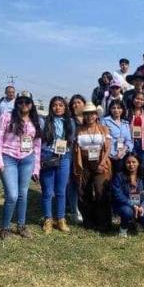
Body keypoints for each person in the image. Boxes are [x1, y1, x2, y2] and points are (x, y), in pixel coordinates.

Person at [0, 91, 42, 240]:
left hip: (27, 159)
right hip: (9, 158)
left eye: (27, 102)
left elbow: (37, 145)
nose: (24, 104)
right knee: (12, 195)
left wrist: (36, 167)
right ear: (16, 103)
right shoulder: (7, 117)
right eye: (20, 102)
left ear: (31, 104)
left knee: (23, 194)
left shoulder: (35, 120)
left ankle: (21, 225)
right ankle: (5, 227)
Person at [73, 102, 112, 231]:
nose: (89, 116)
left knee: (101, 191)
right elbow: (76, 148)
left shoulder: (103, 129)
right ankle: (88, 220)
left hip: (100, 163)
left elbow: (108, 147)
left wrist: (103, 162)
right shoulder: (79, 130)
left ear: (96, 115)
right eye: (87, 114)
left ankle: (104, 221)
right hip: (84, 163)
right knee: (84, 192)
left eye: (92, 114)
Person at [39, 96, 74, 234]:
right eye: (55, 105)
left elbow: (72, 139)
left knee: (61, 191)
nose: (58, 107)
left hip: (64, 157)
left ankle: (61, 219)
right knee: (47, 191)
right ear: (51, 107)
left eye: (61, 105)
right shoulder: (45, 121)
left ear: (65, 107)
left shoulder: (69, 122)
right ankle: (48, 219)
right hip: (48, 156)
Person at [112, 153, 144, 238]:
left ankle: (136, 222)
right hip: (124, 204)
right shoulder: (119, 176)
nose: (131, 165)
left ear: (138, 163)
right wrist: (132, 204)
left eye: (134, 162)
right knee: (128, 212)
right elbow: (117, 194)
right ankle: (123, 229)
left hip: (140, 203)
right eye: (128, 162)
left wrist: (142, 206)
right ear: (124, 163)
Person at [67, 94, 86, 223]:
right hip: (71, 155)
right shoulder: (69, 120)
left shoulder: (91, 119)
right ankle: (74, 210)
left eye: (78, 102)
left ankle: (86, 208)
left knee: (85, 182)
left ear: (84, 104)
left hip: (87, 156)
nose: (76, 105)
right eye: (74, 103)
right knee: (72, 183)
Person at [101, 99, 133, 174]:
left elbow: (129, 140)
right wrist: (112, 154)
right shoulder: (105, 121)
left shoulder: (125, 123)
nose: (116, 110)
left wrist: (123, 150)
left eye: (119, 108)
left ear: (122, 109)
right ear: (110, 109)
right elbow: (104, 139)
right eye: (113, 108)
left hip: (123, 155)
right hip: (109, 155)